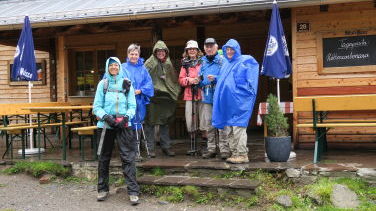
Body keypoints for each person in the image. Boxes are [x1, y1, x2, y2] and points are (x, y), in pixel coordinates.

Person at [93, 57, 140, 205]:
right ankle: (102, 189)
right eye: (111, 65)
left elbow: (132, 105)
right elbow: (96, 107)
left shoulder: (127, 84)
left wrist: (126, 118)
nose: (114, 68)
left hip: (124, 125)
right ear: (107, 67)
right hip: (106, 125)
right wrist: (106, 117)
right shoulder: (103, 84)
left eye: (116, 65)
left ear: (120, 67)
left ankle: (133, 192)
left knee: (128, 158)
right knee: (103, 158)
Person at [212, 39, 259, 164]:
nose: (229, 51)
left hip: (240, 102)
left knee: (238, 127)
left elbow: (250, 81)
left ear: (237, 49)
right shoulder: (226, 64)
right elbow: (226, 79)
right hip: (228, 103)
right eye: (227, 49)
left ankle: (243, 154)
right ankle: (235, 153)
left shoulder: (246, 60)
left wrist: (243, 91)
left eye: (231, 49)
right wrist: (216, 78)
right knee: (229, 129)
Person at [144, 40, 181, 157]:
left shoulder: (168, 64)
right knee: (150, 123)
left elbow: (174, 80)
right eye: (158, 51)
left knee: (165, 122)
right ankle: (150, 149)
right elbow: (144, 78)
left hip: (165, 99)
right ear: (155, 52)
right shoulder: (149, 63)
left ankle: (166, 147)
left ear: (166, 52)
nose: (161, 53)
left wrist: (167, 82)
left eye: (163, 51)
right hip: (153, 97)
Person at [198, 38, 231, 160]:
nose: (209, 48)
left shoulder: (223, 61)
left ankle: (224, 149)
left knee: (222, 123)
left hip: (220, 96)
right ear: (204, 48)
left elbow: (227, 77)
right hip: (207, 96)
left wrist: (216, 78)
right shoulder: (202, 62)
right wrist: (198, 81)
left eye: (211, 46)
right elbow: (201, 77)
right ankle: (211, 149)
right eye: (207, 46)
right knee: (209, 124)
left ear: (217, 47)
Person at [122, 44, 154, 161]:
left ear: (139, 55)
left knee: (138, 124)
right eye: (131, 54)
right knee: (127, 123)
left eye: (136, 54)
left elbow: (149, 84)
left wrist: (140, 90)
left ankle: (137, 151)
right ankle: (128, 151)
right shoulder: (122, 67)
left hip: (139, 101)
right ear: (128, 54)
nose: (134, 56)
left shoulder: (143, 69)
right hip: (125, 102)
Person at [178, 40, 203, 155]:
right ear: (187, 51)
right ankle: (193, 145)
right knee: (190, 120)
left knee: (203, 119)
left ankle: (204, 146)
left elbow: (206, 75)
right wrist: (189, 80)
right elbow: (181, 80)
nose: (192, 50)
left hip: (202, 94)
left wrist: (199, 79)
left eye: (194, 49)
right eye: (190, 49)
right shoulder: (184, 63)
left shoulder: (203, 62)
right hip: (189, 95)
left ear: (197, 50)